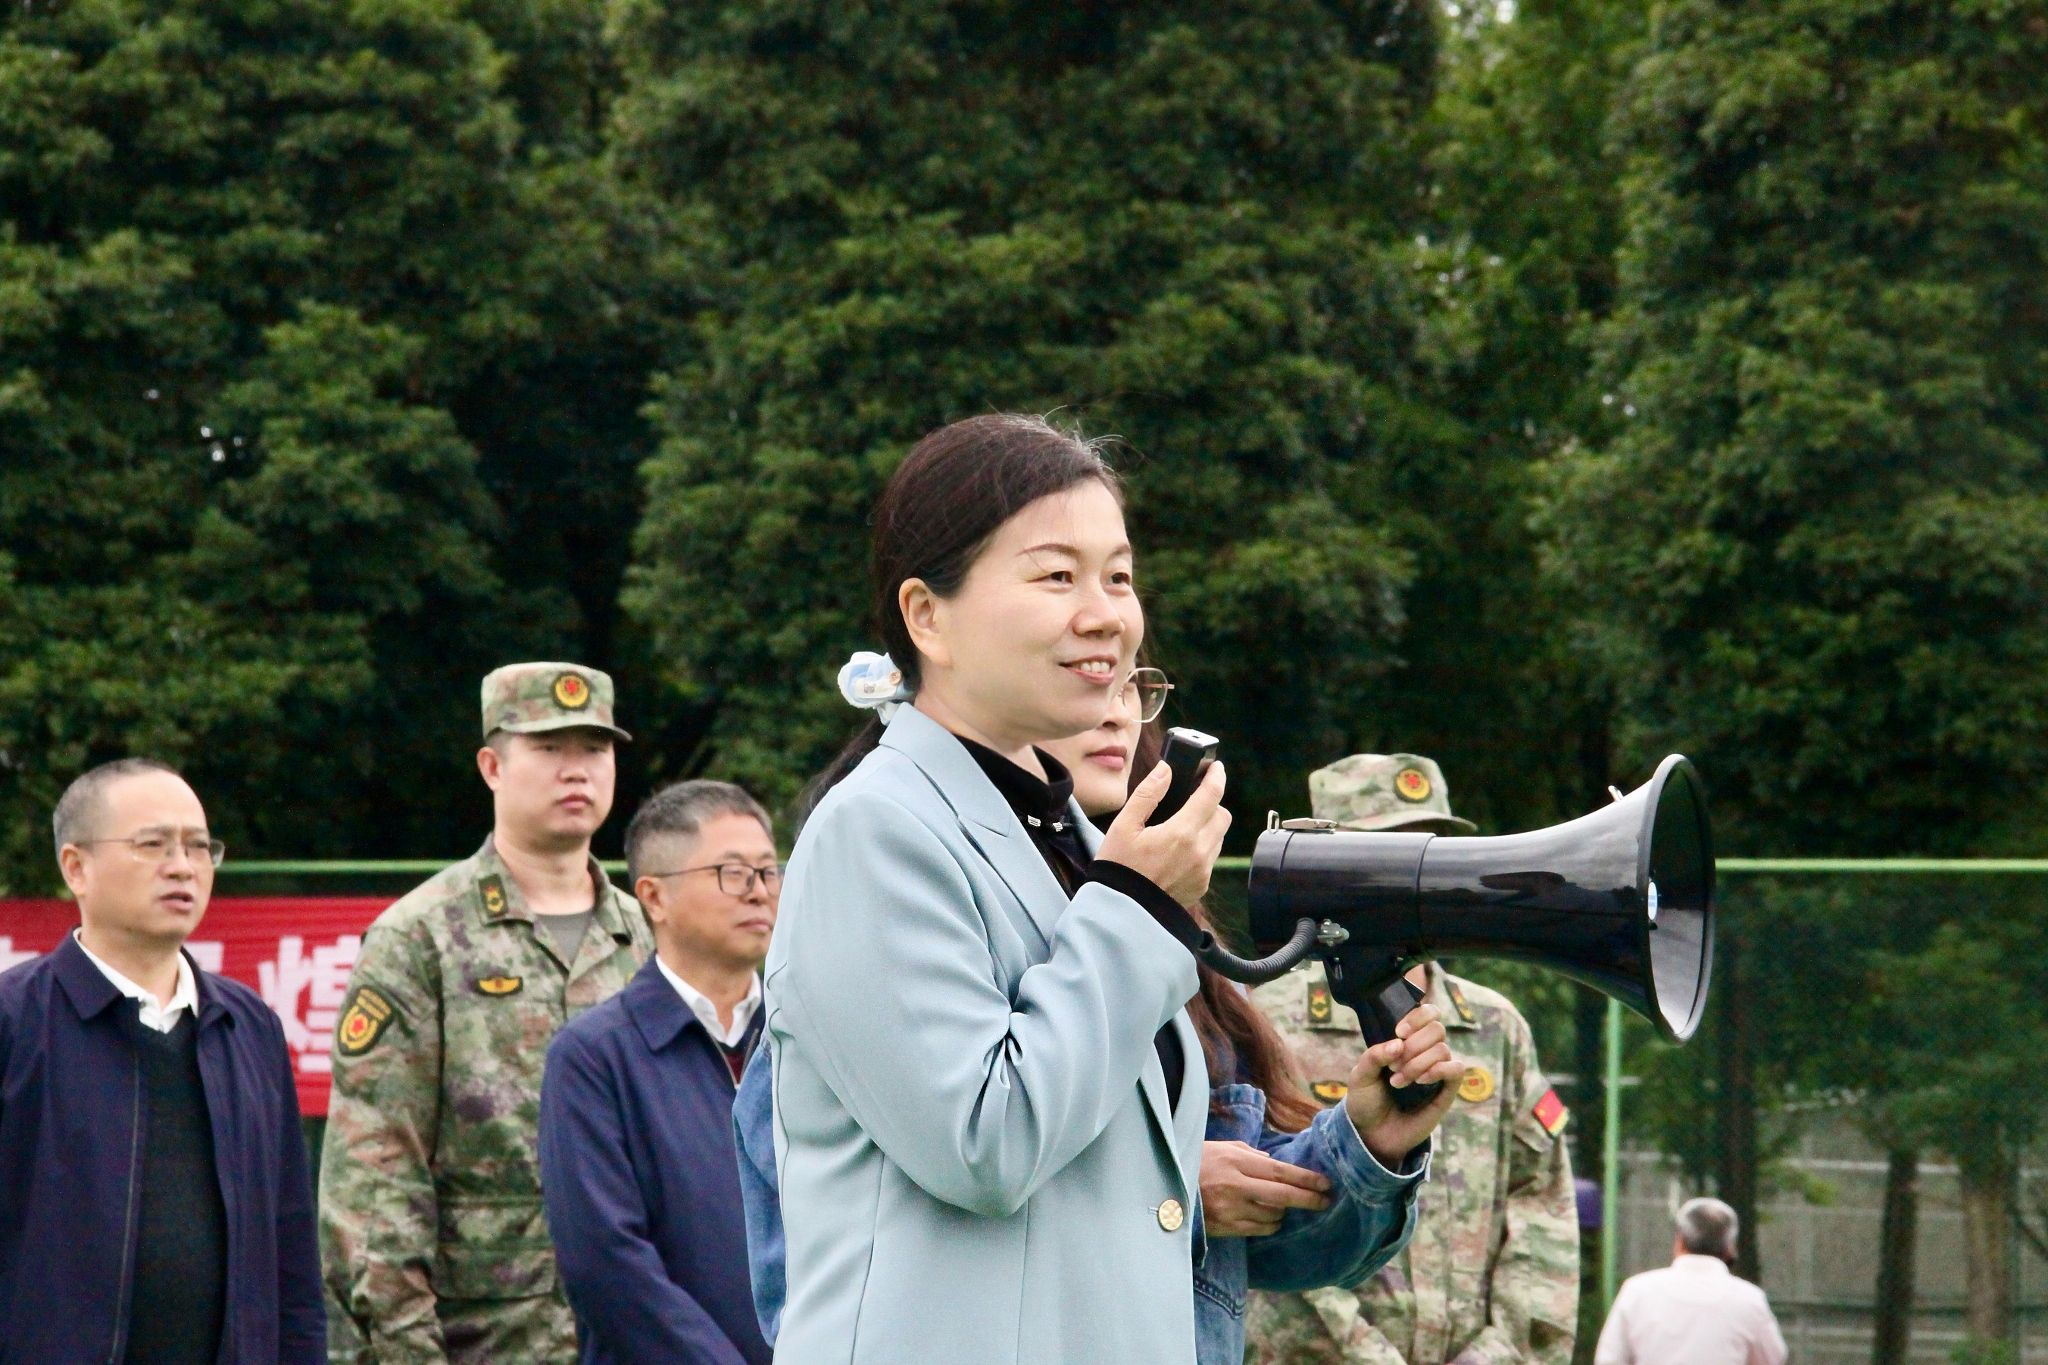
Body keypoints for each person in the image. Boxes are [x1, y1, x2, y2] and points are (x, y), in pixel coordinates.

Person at [754, 412, 1463, 1365]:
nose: (1107, 616)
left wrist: (1362, 1143)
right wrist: (1136, 905)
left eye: (1119, 576)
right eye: (1057, 576)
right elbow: (987, 1144)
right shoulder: (874, 829)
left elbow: (1140, 1202)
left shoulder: (1072, 840)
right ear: (927, 616)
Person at [319, 663, 654, 1363]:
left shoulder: (651, 935)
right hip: (481, 1338)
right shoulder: (421, 936)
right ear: (492, 766)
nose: (576, 770)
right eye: (549, 748)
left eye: (594, 749)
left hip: (634, 1332)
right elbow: (376, 1178)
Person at [1247, 754, 1580, 1365]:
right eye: (1390, 852)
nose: (1417, 875)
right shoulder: (1266, 1021)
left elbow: (1542, 1208)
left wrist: (1499, 1355)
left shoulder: (1496, 1026)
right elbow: (1271, 1220)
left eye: (1430, 849)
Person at [0, 758, 324, 1362]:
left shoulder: (248, 1027)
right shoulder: (17, 1023)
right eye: (153, 845)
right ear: (76, 867)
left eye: (199, 847)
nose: (182, 866)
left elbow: (291, 1253)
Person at [539, 780, 780, 1364]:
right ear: (654, 897)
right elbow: (606, 1264)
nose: (758, 892)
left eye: (769, 871)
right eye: (732, 872)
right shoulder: (595, 1057)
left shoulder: (804, 1040)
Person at [1593, 1197, 1787, 1365]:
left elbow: (1610, 1359)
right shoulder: (1749, 1300)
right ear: (1730, 1248)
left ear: (1679, 1242)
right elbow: (1772, 1359)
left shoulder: (1637, 1291)